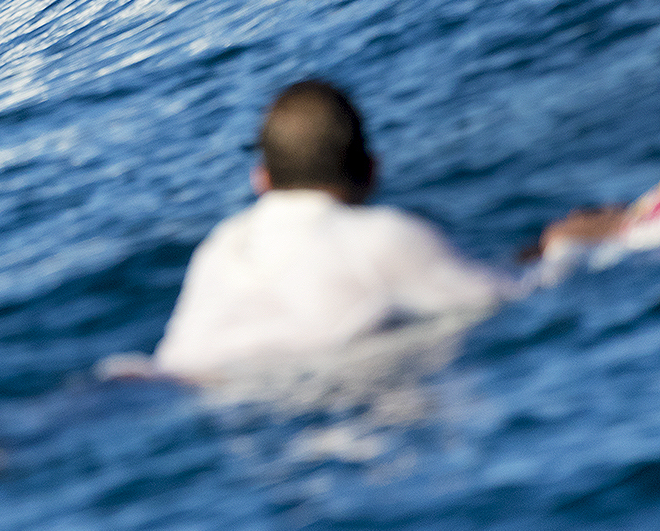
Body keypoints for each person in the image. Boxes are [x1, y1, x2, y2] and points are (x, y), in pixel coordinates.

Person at [152, 80, 515, 379]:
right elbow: (505, 299)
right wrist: (565, 250)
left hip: (190, 387)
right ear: (371, 170)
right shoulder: (381, 237)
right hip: (316, 384)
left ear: (260, 179)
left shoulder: (220, 248)